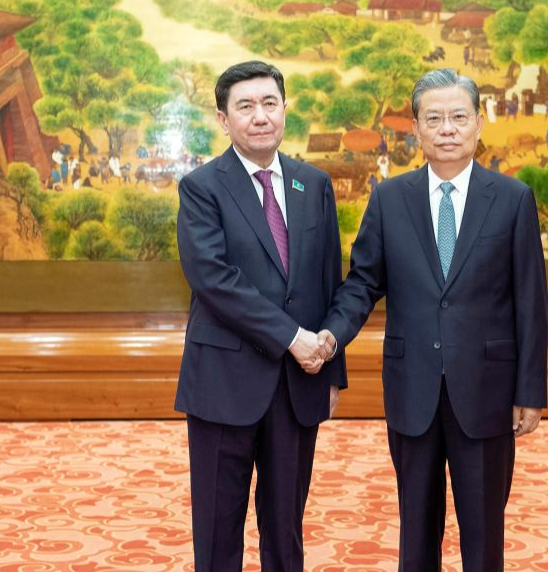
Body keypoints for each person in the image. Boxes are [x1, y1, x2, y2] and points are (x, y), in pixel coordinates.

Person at [318, 68, 548, 572]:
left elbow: (531, 301)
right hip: (412, 388)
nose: (447, 128)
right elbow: (362, 283)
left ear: (479, 124)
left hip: (487, 389)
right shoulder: (388, 199)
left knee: (484, 532)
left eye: (458, 117)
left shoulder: (512, 200)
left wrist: (530, 390)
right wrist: (331, 335)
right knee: (416, 530)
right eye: (434, 118)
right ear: (417, 130)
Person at [175, 61, 345, 572]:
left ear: (285, 110)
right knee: (217, 530)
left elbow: (327, 279)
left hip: (299, 386)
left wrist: (330, 371)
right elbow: (214, 280)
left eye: (270, 103)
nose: (260, 116)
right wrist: (292, 337)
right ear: (224, 120)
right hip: (223, 384)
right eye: (245, 107)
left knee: (285, 528)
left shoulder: (312, 184)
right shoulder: (202, 187)